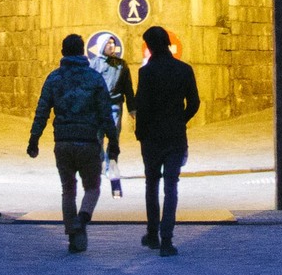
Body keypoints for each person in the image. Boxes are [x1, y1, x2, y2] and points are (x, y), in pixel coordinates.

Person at [27, 32, 119, 252]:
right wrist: (113, 141)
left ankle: (73, 236)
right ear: (82, 52)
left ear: (62, 52)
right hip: (88, 141)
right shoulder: (95, 78)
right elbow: (106, 113)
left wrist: (34, 139)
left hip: (63, 142)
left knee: (68, 190)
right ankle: (83, 218)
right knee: (92, 187)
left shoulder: (54, 78)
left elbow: (42, 111)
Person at [131, 25, 200, 255]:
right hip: (174, 136)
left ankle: (152, 234)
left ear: (150, 47)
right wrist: (181, 119)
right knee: (171, 186)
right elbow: (194, 103)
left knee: (152, 185)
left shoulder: (146, 73)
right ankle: (167, 239)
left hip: (152, 138)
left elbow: (142, 106)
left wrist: (140, 133)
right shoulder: (184, 70)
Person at [84, 30, 135, 196]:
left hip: (115, 105)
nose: (112, 46)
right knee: (97, 137)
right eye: (108, 43)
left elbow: (128, 88)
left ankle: (110, 166)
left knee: (113, 138)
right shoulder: (93, 64)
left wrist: (132, 108)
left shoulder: (121, 65)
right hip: (97, 107)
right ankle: (98, 164)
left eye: (113, 43)